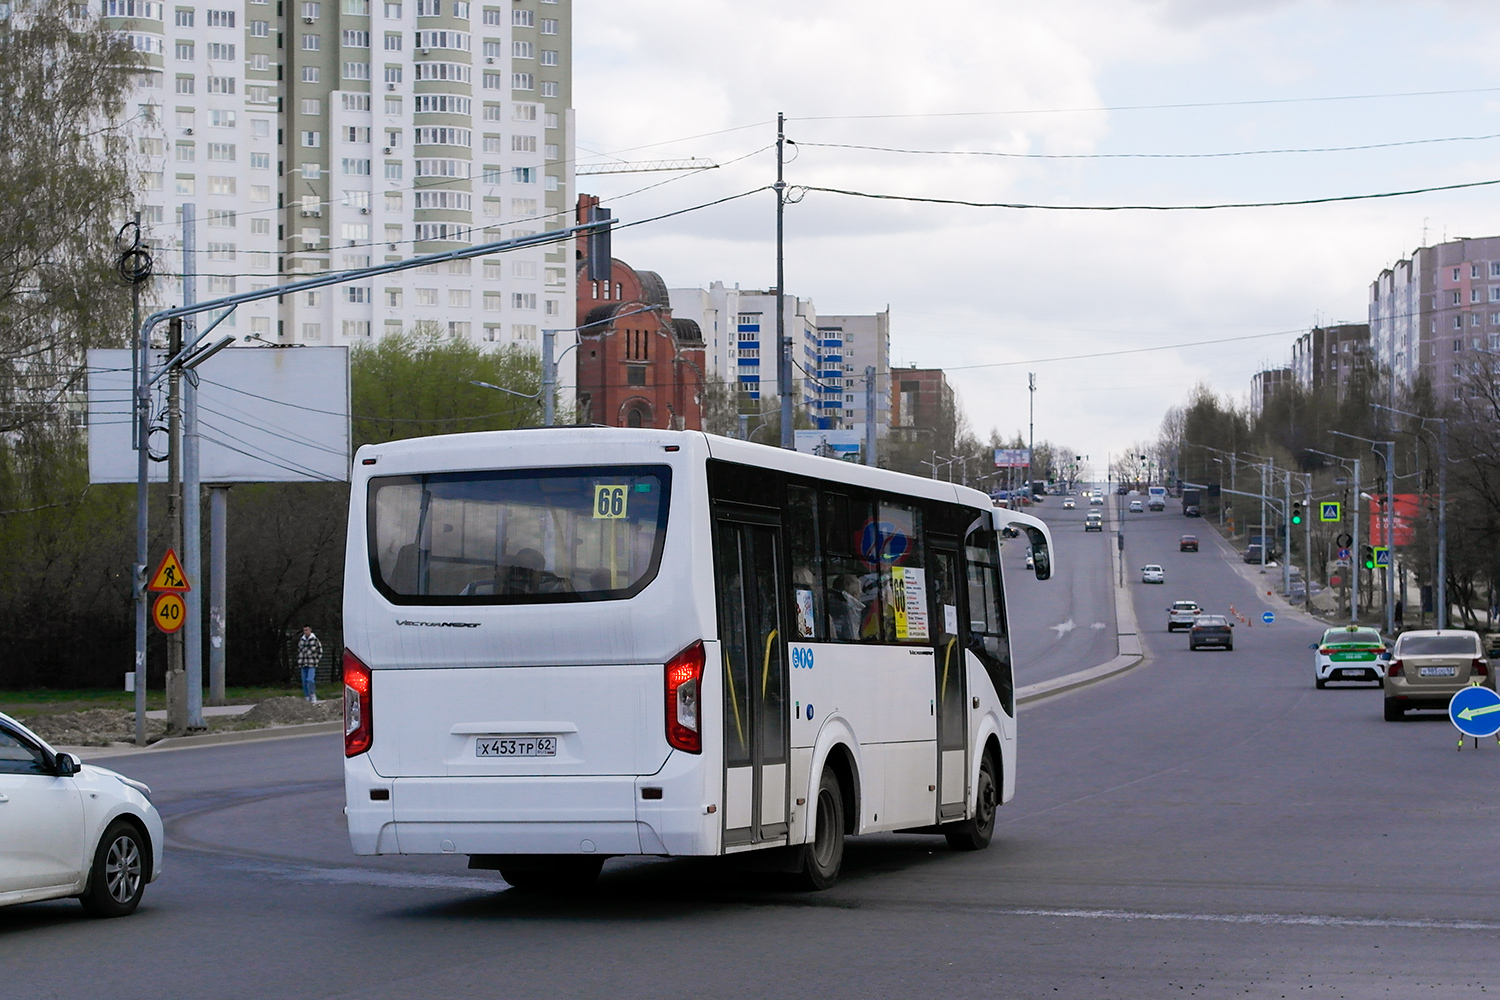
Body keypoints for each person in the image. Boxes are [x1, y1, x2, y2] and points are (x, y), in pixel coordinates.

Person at [297, 625, 323, 703]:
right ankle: (307, 696)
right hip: (303, 663)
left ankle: (312, 694)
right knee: (304, 681)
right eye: (304, 630)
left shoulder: (315, 640)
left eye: (307, 630)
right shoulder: (301, 640)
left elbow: (320, 651)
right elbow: (299, 650)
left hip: (312, 663)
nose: (305, 632)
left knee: (310, 680)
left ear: (310, 630)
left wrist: (316, 660)